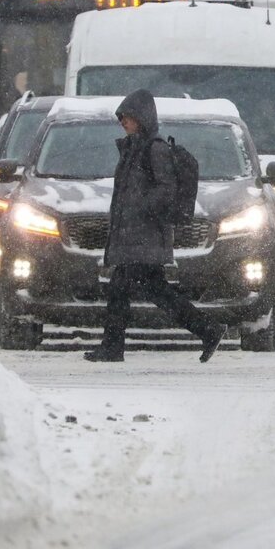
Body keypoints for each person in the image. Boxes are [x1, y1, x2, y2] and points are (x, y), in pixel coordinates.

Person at [84, 89, 225, 363]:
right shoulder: (132, 148)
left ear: (142, 117)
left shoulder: (154, 148)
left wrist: (140, 208)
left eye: (127, 117)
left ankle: (113, 347)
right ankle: (207, 330)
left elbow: (166, 188)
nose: (123, 122)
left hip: (146, 237)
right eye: (121, 118)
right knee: (151, 291)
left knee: (126, 289)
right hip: (135, 237)